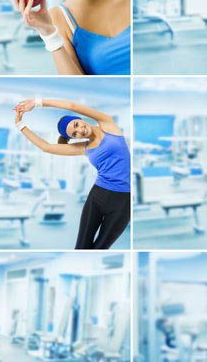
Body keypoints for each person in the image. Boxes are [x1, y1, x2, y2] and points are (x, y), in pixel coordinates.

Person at [15, 94, 130, 248]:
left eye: (76, 125)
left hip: (123, 201)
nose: (80, 131)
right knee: (81, 247)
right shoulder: (84, 148)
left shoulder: (107, 124)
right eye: (74, 134)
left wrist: (37, 102)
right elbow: (46, 147)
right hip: (97, 197)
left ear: (79, 119)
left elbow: (73, 106)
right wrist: (20, 125)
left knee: (101, 247)